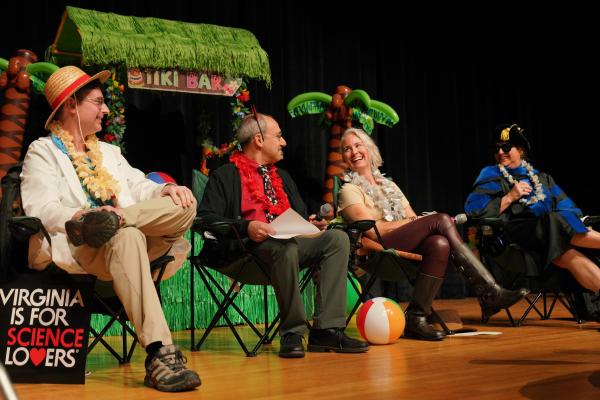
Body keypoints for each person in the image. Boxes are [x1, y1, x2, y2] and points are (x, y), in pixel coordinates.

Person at [20, 66, 201, 392]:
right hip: (85, 246)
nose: (106, 110)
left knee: (183, 205)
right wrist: (85, 216)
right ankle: (160, 355)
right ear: (72, 105)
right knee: (127, 235)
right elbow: (41, 209)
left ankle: (118, 218)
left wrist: (164, 191)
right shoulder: (43, 151)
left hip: (138, 234)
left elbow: (139, 184)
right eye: (99, 102)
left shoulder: (109, 152)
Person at [197, 112, 369, 358]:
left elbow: (296, 217)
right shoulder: (225, 175)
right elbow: (205, 218)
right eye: (278, 136)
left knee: (337, 239)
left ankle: (326, 331)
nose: (284, 142)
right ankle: (293, 332)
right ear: (258, 140)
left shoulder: (283, 177)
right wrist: (247, 227)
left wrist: (310, 223)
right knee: (285, 248)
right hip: (245, 254)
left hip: (288, 248)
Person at [337, 128, 528, 341]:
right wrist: (415, 222)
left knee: (439, 244)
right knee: (441, 219)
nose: (354, 151)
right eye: (347, 149)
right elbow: (373, 231)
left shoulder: (389, 185)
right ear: (343, 158)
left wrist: (414, 221)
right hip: (377, 251)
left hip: (401, 244)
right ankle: (490, 291)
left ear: (369, 149)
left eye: (358, 145)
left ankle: (416, 317)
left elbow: (411, 216)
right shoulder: (349, 190)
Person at [465, 123, 600, 293]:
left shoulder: (542, 178)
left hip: (548, 240)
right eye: (497, 148)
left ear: (520, 151)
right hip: (512, 239)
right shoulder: (490, 174)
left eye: (505, 147)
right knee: (553, 220)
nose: (500, 152)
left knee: (567, 254)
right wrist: (510, 197)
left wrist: (578, 221)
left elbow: (567, 206)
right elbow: (475, 212)